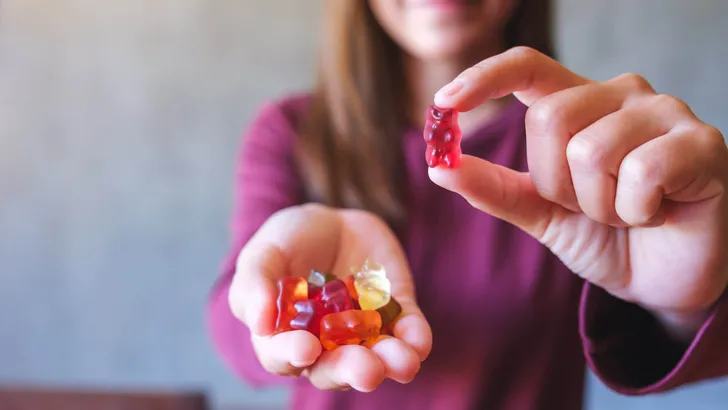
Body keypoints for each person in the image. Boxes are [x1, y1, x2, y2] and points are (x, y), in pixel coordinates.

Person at [206, 1, 728, 409]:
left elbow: (657, 348)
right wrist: (269, 304)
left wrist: (682, 307)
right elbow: (232, 328)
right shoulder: (292, 133)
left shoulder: (589, 150)